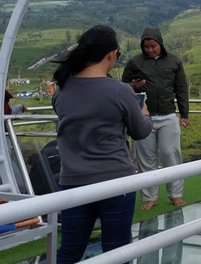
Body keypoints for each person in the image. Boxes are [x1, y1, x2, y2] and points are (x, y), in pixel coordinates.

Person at [51, 25, 153, 263]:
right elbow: (139, 131)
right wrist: (145, 114)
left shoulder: (61, 90)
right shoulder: (120, 91)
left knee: (70, 250)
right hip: (116, 181)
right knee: (117, 250)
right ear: (111, 54)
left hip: (73, 182)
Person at [122, 27, 189, 210]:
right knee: (146, 158)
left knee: (171, 154)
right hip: (143, 116)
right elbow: (122, 88)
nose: (150, 50)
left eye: (153, 46)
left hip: (168, 115)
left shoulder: (174, 61)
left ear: (160, 43)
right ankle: (150, 197)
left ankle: (175, 194)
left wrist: (185, 114)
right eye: (146, 47)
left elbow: (181, 88)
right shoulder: (135, 62)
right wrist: (132, 86)